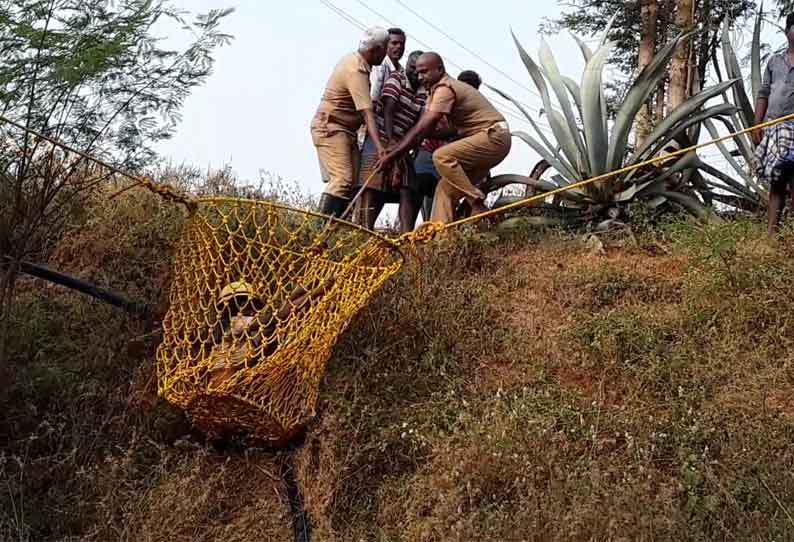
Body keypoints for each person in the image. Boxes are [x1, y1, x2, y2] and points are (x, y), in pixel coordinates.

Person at [382, 54, 510, 224]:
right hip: (486, 140)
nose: (420, 77)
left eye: (424, 72)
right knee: (445, 189)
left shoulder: (445, 88)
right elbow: (446, 131)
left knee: (441, 156)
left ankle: (475, 200)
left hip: (494, 137)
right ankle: (441, 240)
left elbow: (422, 128)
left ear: (440, 70)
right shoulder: (435, 92)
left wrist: (393, 155)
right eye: (418, 72)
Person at [311, 27, 390, 218]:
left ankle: (334, 232)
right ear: (376, 50)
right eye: (385, 48)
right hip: (331, 127)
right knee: (342, 180)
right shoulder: (356, 70)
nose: (386, 53)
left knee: (352, 185)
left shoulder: (355, 61)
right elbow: (367, 113)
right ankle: (317, 233)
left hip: (346, 130)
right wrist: (380, 148)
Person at [354, 50, 427, 232]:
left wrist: (407, 145)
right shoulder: (397, 78)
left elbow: (420, 122)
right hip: (380, 136)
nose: (416, 74)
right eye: (413, 68)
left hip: (402, 142)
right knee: (372, 183)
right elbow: (388, 110)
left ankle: (406, 236)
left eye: (420, 71)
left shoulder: (423, 91)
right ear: (409, 67)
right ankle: (364, 231)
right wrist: (391, 141)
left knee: (408, 187)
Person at [414, 70, 485, 222]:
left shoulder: (475, 110)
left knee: (448, 191)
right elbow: (429, 127)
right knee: (427, 186)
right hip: (431, 152)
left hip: (456, 159)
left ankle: (447, 227)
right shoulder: (443, 97)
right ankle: (430, 225)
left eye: (473, 88)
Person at [754, 13, 794, 237]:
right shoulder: (774, 62)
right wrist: (756, 124)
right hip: (774, 129)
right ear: (788, 32)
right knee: (777, 181)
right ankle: (772, 235)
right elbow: (764, 93)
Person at [370, 28, 407, 100]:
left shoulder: (402, 71)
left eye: (402, 44)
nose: (399, 47)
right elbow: (373, 95)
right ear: (385, 45)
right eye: (394, 43)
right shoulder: (379, 66)